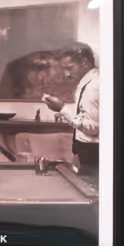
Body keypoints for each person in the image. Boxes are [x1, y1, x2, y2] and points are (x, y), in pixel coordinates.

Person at [40, 41, 101, 185]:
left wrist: (62, 109)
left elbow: (93, 127)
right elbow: (88, 115)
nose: (67, 74)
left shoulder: (93, 87)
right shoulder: (88, 82)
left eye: (69, 68)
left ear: (85, 63)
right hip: (86, 154)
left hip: (92, 157)